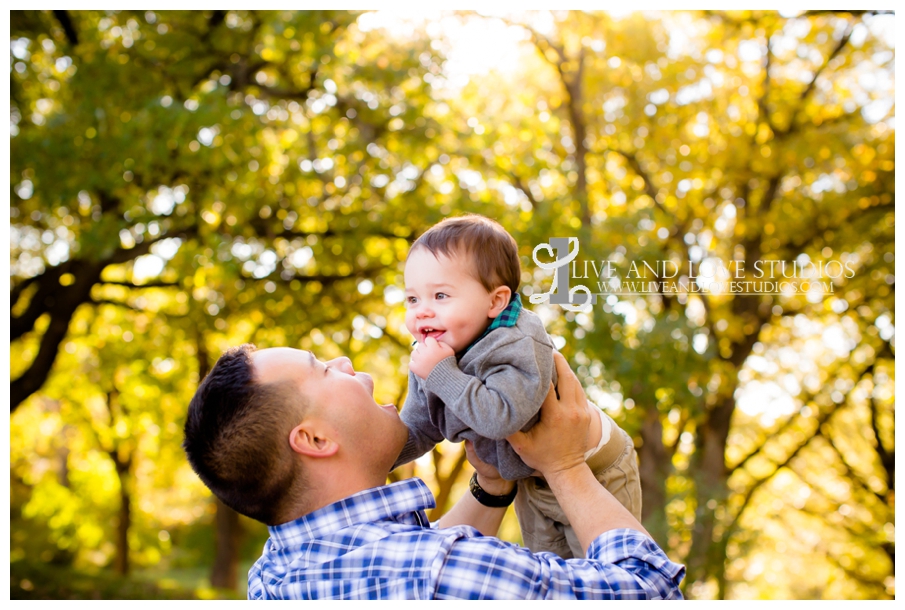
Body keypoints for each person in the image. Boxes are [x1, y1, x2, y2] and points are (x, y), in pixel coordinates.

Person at [183, 344, 684, 599]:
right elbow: (652, 592)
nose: (344, 361)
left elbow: (383, 564)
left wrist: (491, 488)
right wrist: (565, 464)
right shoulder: (433, 574)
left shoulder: (274, 574)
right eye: (322, 368)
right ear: (315, 439)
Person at [395, 214, 642, 557]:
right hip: (532, 476)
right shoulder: (432, 357)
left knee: (607, 570)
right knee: (554, 575)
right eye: (412, 300)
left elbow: (501, 418)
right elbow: (420, 427)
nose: (421, 312)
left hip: (595, 469)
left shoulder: (516, 342)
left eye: (440, 295)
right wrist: (373, 458)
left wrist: (441, 373)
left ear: (495, 301)